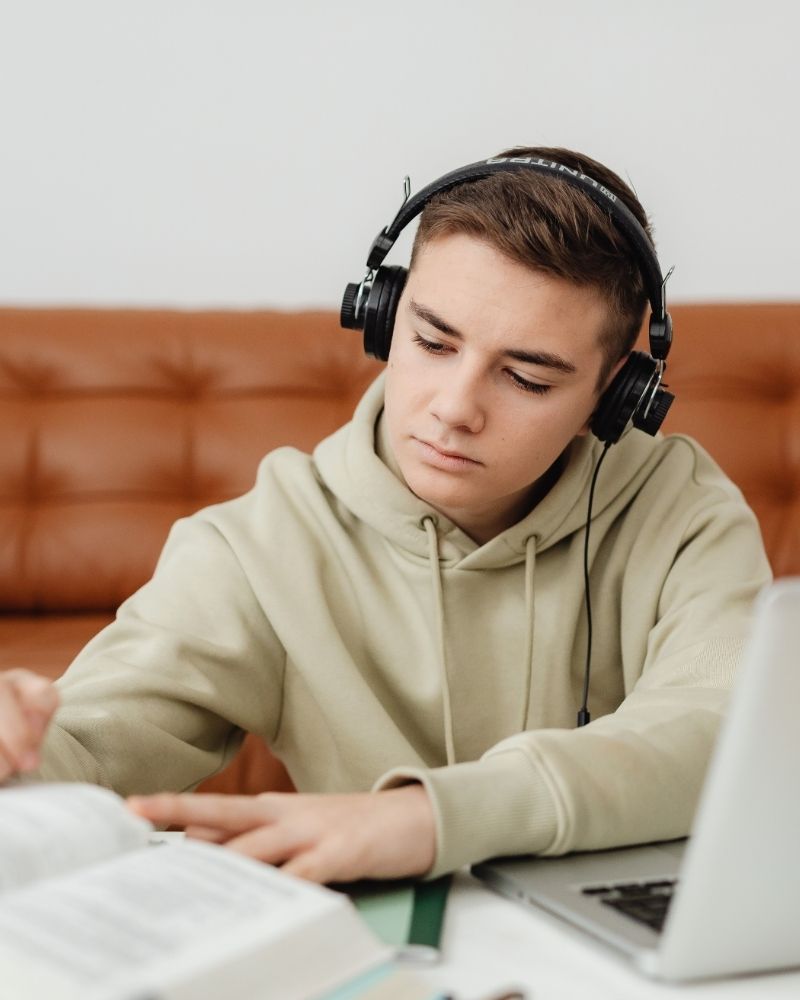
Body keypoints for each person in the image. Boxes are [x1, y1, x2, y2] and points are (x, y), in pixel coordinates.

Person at [0, 146, 771, 884]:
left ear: (610, 402)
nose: (455, 408)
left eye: (528, 380)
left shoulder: (684, 512)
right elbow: (87, 754)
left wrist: (433, 819)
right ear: (381, 319)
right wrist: (18, 752)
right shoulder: (256, 547)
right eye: (433, 341)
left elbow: (727, 728)